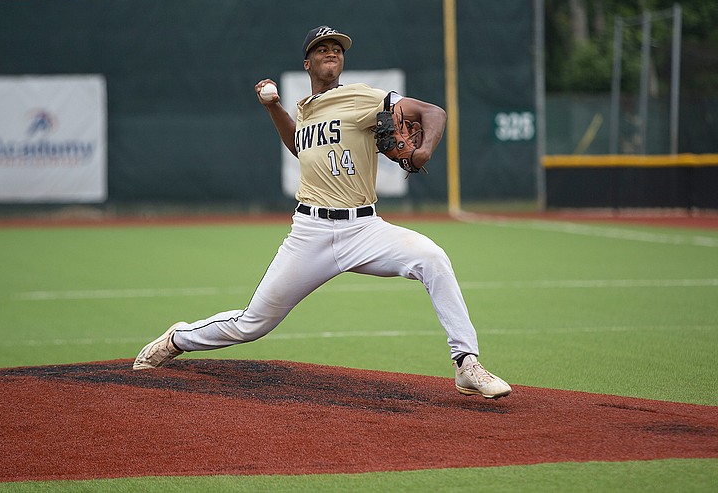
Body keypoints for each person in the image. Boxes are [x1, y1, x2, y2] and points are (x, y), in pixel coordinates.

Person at [133, 25, 511, 399]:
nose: (332, 52)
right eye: (322, 48)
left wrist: (424, 151)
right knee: (253, 324)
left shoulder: (364, 97)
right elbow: (298, 145)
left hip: (364, 229)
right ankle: (179, 337)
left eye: (337, 48)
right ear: (307, 62)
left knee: (433, 257)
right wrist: (274, 107)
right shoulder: (306, 108)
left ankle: (466, 363)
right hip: (309, 233)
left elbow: (433, 112)